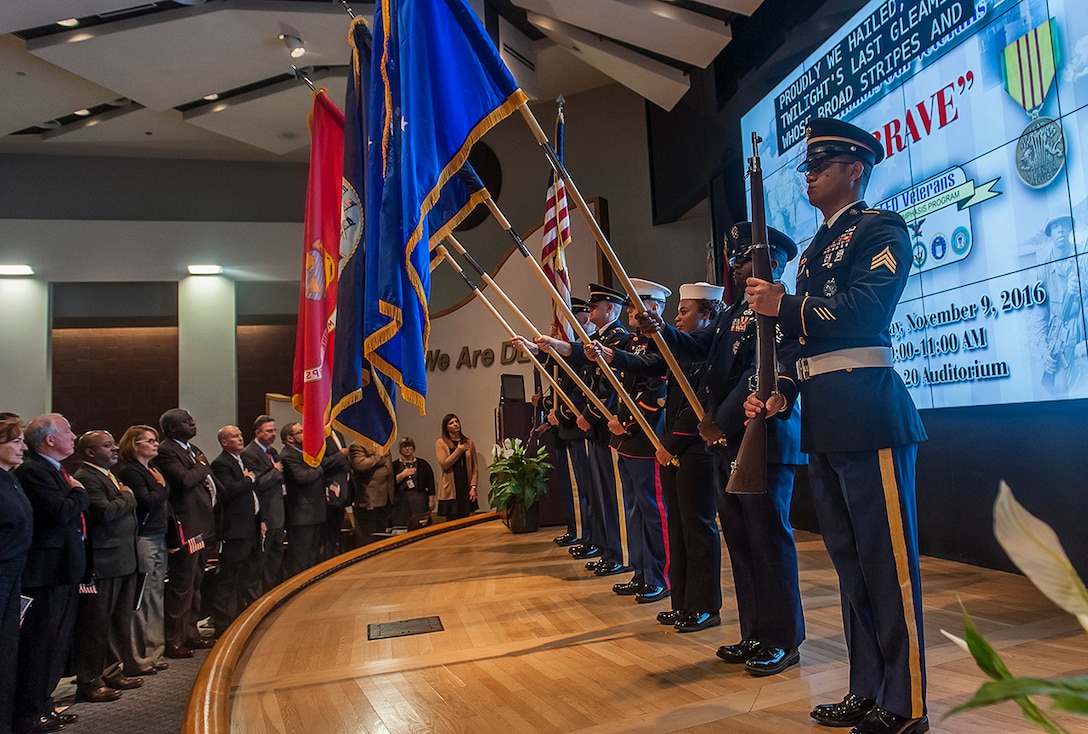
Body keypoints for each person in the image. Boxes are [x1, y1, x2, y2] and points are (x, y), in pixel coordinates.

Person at [745, 117, 929, 734]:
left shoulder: (881, 229)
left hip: (867, 411)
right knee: (852, 567)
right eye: (808, 164)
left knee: (888, 566)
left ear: (855, 169)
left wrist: (786, 306)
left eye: (822, 163)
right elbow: (804, 345)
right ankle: (867, 688)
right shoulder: (816, 251)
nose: (809, 173)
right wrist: (780, 393)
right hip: (825, 416)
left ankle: (905, 705)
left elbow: (867, 310)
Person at [581, 278, 671, 603]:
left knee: (652, 509)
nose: (632, 311)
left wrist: (626, 424)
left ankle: (660, 577)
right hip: (626, 439)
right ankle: (641, 571)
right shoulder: (633, 344)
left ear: (655, 308)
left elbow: (655, 394)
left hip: (647, 437)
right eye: (631, 305)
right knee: (633, 507)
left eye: (637, 305)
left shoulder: (660, 343)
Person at [534, 283, 629, 577]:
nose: (589, 312)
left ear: (610, 309)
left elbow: (605, 388)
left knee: (612, 495)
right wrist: (545, 346)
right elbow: (575, 362)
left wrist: (587, 413)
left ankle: (621, 554)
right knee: (600, 493)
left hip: (608, 424)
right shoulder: (600, 339)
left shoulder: (618, 339)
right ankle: (609, 548)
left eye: (593, 307)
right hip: (597, 425)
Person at [648, 283, 725, 633]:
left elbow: (698, 411)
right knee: (679, 529)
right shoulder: (681, 352)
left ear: (706, 313)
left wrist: (671, 444)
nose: (677, 317)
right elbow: (646, 364)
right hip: (674, 449)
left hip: (696, 452)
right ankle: (683, 602)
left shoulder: (709, 351)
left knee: (699, 529)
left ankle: (705, 605)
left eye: (684, 311)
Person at [14, 414, 88, 734]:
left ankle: (45, 703)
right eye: (68, 432)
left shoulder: (54, 469)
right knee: (40, 644)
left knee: (56, 643)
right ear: (49, 440)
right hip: (45, 572)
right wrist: (79, 492)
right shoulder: (34, 470)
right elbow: (58, 512)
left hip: (63, 569)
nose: (74, 437)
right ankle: (30, 711)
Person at [71, 430, 142, 702]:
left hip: (123, 559)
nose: (115, 449)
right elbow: (104, 512)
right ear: (90, 452)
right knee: (97, 624)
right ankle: (89, 680)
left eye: (113, 444)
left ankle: (112, 671)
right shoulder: (86, 477)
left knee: (117, 622)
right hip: (105, 561)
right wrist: (128, 496)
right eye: (107, 445)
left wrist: (122, 496)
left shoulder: (109, 475)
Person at [155, 408, 217, 659]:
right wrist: (202, 466)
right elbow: (184, 480)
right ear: (170, 429)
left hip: (203, 524)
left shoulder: (192, 449)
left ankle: (191, 632)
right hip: (186, 526)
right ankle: (174, 639)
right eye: (185, 421)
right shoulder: (167, 449)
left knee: (196, 583)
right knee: (182, 586)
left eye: (192, 419)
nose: (192, 423)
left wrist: (200, 466)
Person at [116, 424, 171, 677]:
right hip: (143, 537)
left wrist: (159, 485)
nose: (154, 444)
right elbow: (146, 501)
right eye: (148, 441)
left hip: (159, 535)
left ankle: (155, 651)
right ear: (133, 445)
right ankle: (138, 657)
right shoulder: (130, 471)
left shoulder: (153, 469)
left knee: (156, 594)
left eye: (155, 440)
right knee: (143, 596)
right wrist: (159, 486)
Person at [0, 415, 33, 734]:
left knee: (8, 654)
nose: (23, 446)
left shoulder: (11, 477)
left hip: (13, 574)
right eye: (15, 441)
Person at [209, 425, 260, 635]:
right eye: (234, 436)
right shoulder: (221, 463)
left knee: (243, 575)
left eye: (240, 434)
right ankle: (224, 624)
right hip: (234, 529)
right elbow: (229, 491)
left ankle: (240, 617)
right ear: (224, 442)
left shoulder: (242, 461)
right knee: (228, 578)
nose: (240, 439)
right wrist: (248, 479)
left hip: (249, 526)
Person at [280, 423, 348, 574]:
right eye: (300, 432)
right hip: (302, 514)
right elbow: (303, 477)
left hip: (315, 512)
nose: (305, 433)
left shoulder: (304, 453)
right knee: (301, 557)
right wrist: (318, 466)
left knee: (313, 555)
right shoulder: (288, 455)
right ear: (290, 438)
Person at [240, 415, 285, 597]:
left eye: (274, 430)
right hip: (264, 515)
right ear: (258, 432)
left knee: (274, 562)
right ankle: (255, 602)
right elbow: (256, 484)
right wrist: (274, 471)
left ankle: (270, 597)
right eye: (268, 431)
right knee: (258, 564)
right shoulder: (249, 454)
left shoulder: (273, 452)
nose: (273, 434)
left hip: (278, 515)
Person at [349, 440, 394, 545]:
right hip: (368, 499)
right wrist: (379, 456)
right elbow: (360, 465)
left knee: (381, 535)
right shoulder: (357, 445)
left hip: (385, 497)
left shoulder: (382, 443)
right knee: (367, 538)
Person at [434, 414, 478, 521]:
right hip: (450, 488)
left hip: (465, 486)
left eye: (456, 422)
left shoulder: (468, 442)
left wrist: (473, 486)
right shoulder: (441, 443)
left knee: (466, 519)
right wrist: (459, 450)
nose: (455, 424)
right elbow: (444, 464)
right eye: (451, 423)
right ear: (446, 427)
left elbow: (475, 467)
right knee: (452, 521)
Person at [390, 437, 435, 528]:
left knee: (420, 525)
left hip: (419, 499)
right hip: (401, 500)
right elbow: (390, 483)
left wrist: (431, 500)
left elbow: (430, 483)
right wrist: (403, 474)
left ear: (413, 448)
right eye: (404, 447)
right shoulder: (394, 465)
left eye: (409, 446)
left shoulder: (423, 464)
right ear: (400, 449)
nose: (407, 449)